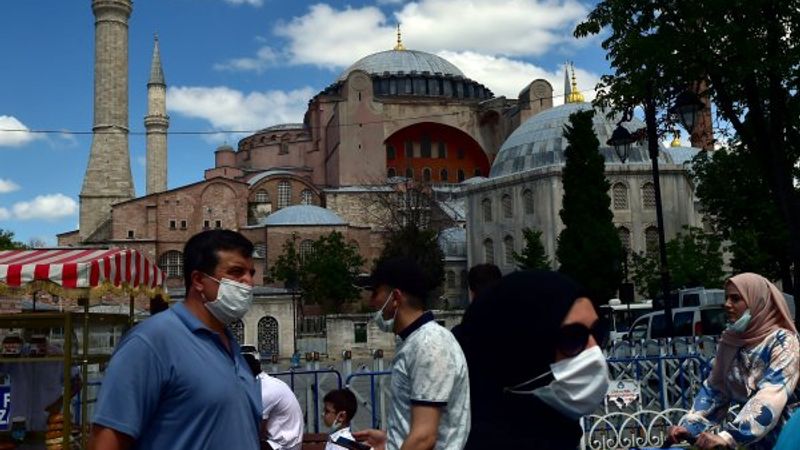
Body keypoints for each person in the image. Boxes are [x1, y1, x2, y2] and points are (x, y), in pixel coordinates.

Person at [88, 229, 261, 450]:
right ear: (198, 280)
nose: (248, 282)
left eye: (251, 273)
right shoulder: (152, 341)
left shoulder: (230, 344)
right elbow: (107, 440)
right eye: (236, 272)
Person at [458, 270, 610, 450]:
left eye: (598, 331)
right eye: (573, 338)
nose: (594, 350)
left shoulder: (562, 435)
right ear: (521, 351)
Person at [667, 272, 800, 450]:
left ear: (756, 301)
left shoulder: (783, 342)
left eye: (736, 298)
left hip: (789, 437)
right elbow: (715, 390)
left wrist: (730, 436)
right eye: (726, 297)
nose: (727, 304)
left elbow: (771, 395)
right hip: (753, 444)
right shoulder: (730, 342)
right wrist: (689, 427)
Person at [353, 256, 470, 450]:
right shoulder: (416, 342)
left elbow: (424, 437)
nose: (372, 302)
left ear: (396, 298)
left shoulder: (429, 345)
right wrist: (390, 441)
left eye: (375, 293)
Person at [243, 353, 304, 450]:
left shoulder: (264, 390)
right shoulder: (267, 383)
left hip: (283, 445)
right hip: (282, 441)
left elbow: (257, 430)